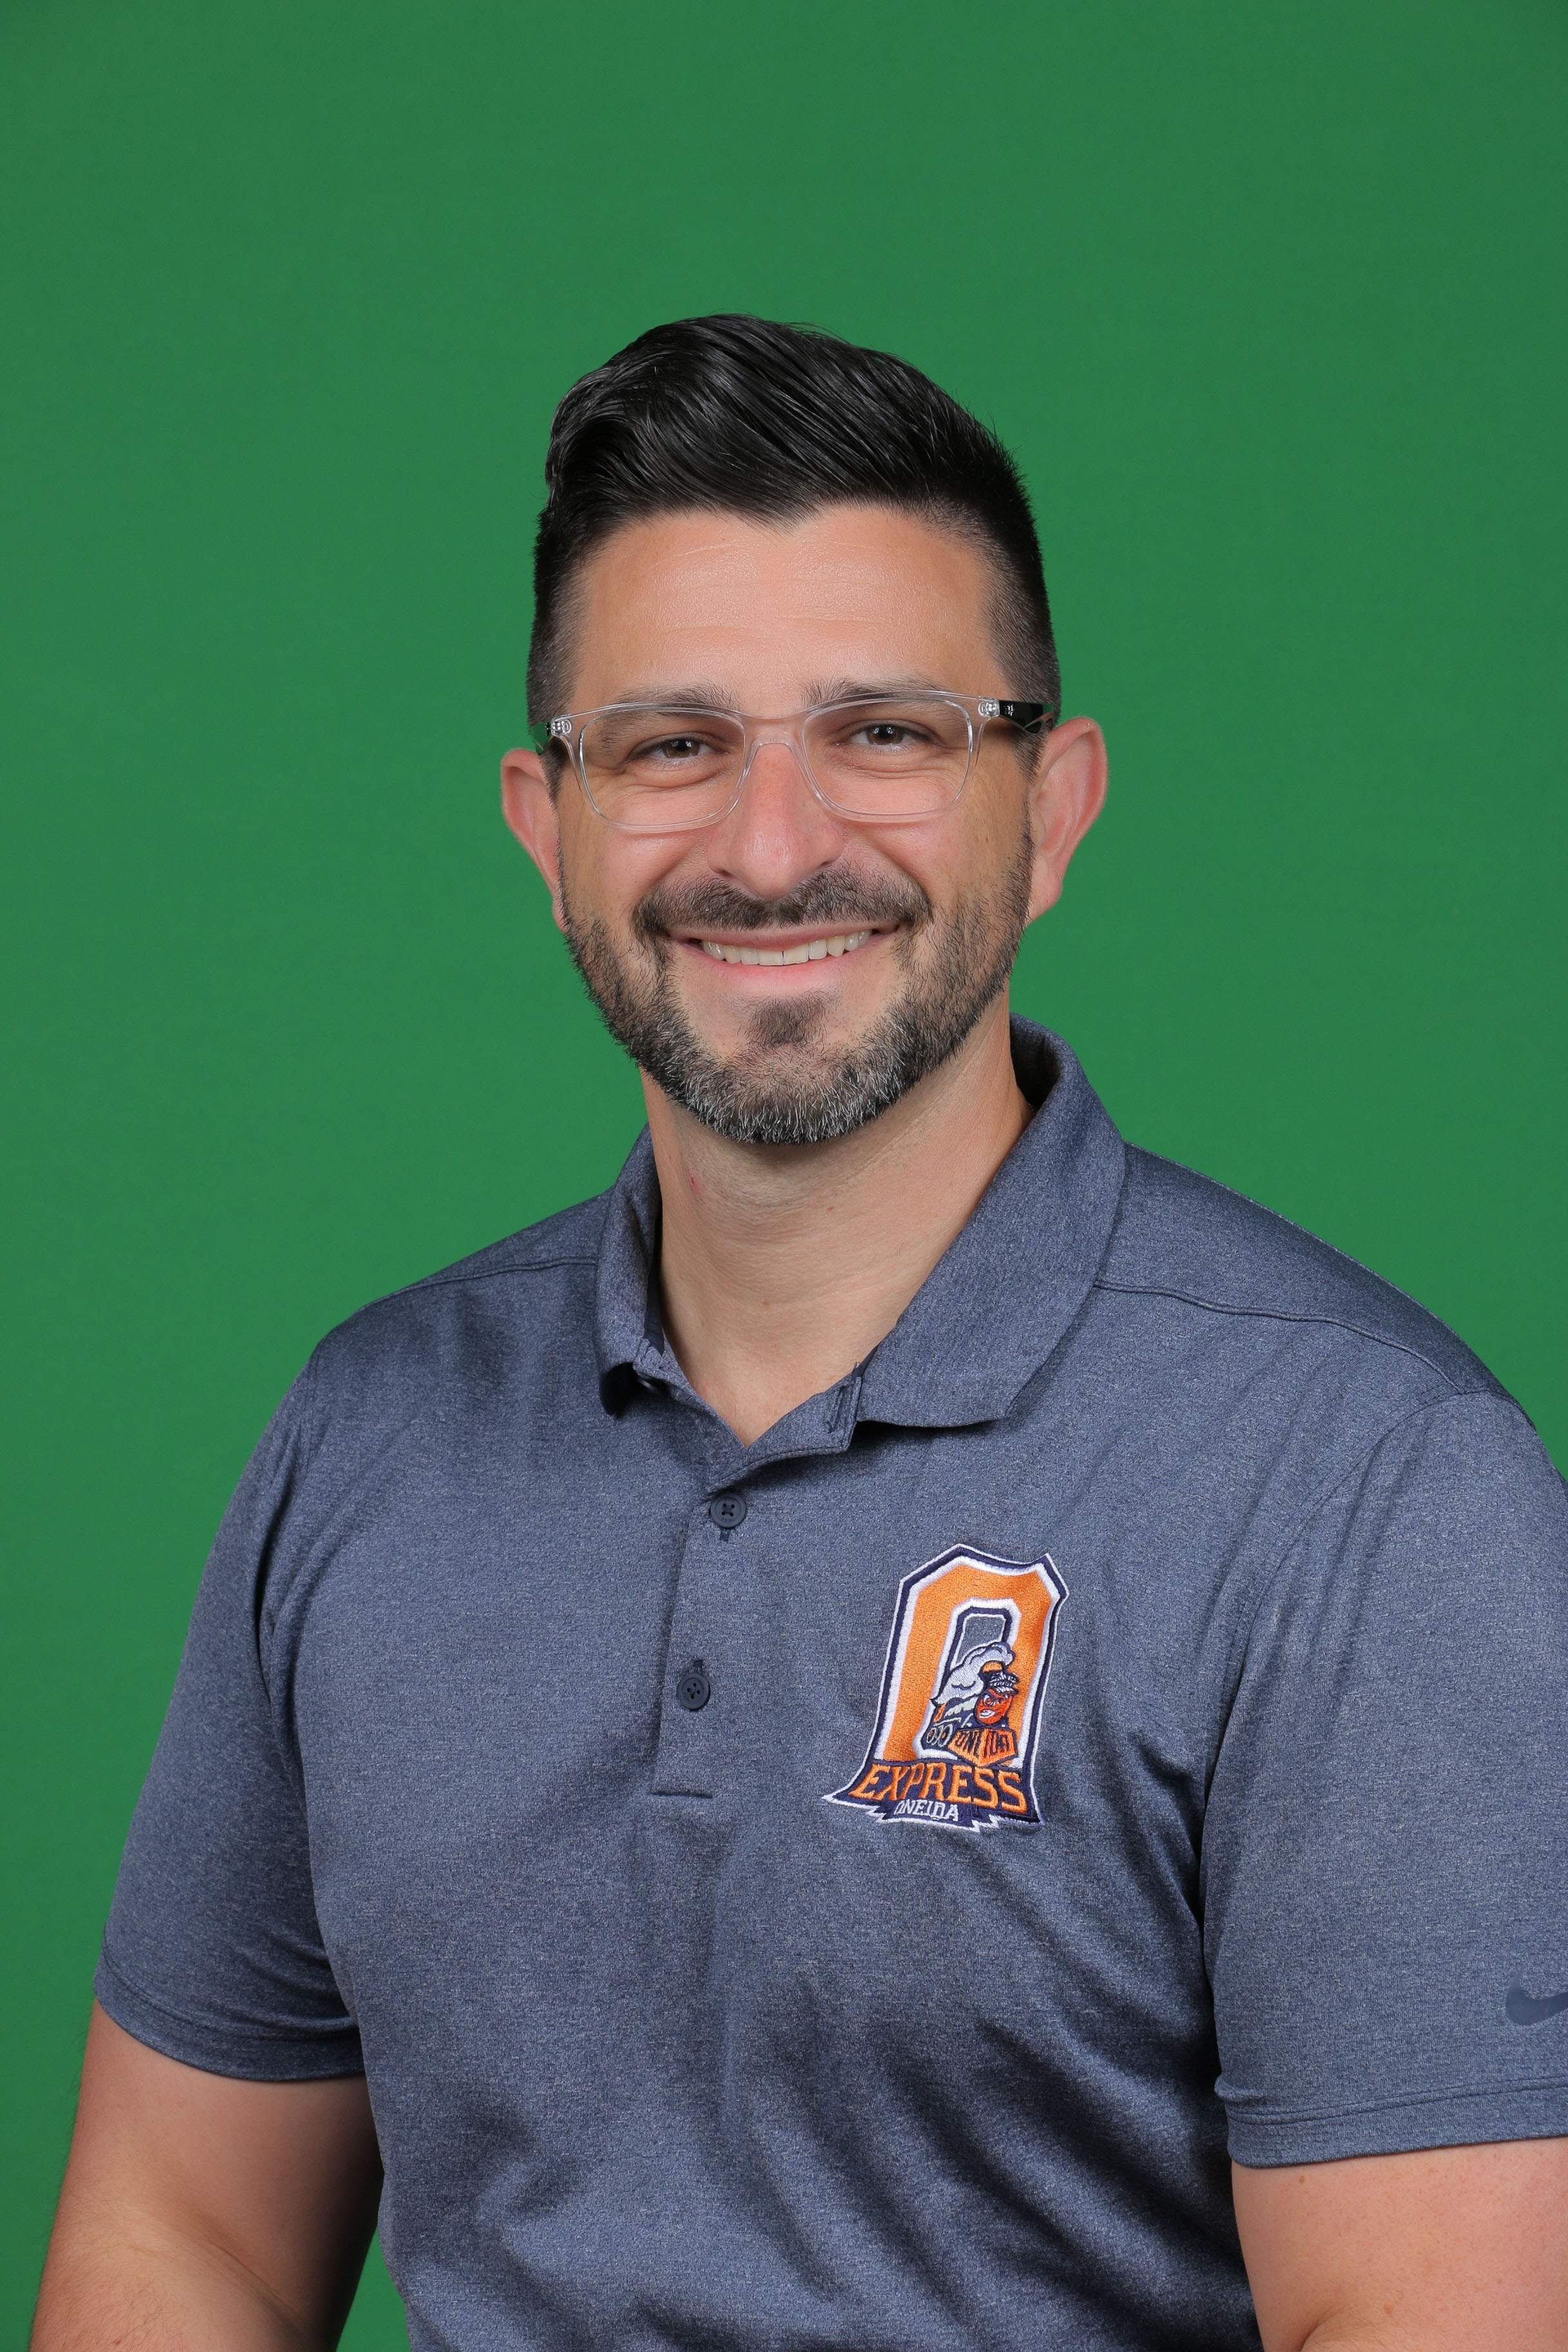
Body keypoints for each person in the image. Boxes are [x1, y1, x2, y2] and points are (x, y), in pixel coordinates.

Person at [32, 315, 1568, 2352]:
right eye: (672, 744)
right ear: (547, 825)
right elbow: (183, 2241)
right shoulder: (370, 1434)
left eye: (888, 734)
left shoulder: (1369, 1484)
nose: (771, 848)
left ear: (1054, 807)